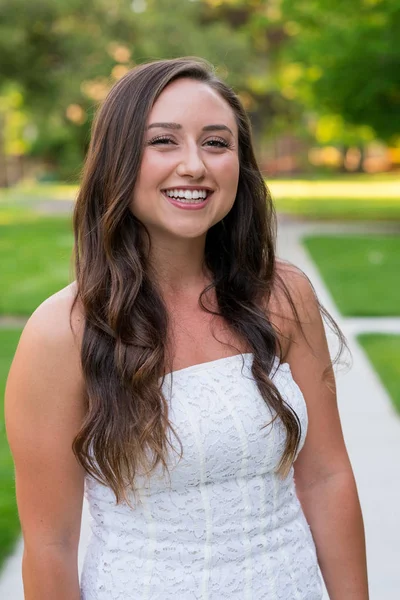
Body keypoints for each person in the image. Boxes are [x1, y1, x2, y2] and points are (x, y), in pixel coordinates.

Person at [5, 57, 368, 599]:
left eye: (216, 143)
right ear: (118, 160)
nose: (195, 165)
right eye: (164, 142)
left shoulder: (284, 296)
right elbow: (50, 546)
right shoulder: (64, 332)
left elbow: (326, 478)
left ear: (239, 165)